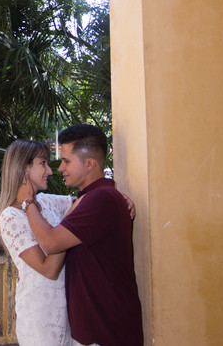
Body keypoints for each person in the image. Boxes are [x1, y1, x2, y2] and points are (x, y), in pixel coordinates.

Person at [25, 124, 143, 346]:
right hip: (99, 330)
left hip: (108, 332)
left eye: (67, 161)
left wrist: (28, 201)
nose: (60, 169)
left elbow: (51, 243)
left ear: (90, 164)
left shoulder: (101, 200)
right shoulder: (93, 199)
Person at [0, 139, 74, 346]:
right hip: (39, 319)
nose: (50, 170)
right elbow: (49, 269)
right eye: (43, 163)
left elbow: (86, 204)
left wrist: (118, 198)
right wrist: (66, 231)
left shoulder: (48, 202)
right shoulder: (11, 217)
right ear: (24, 170)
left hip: (68, 313)